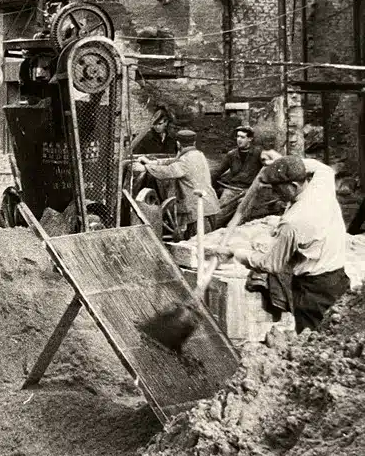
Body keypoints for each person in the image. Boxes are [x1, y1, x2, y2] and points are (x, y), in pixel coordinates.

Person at [210, 155, 350, 332]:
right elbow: (323, 168)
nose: (275, 194)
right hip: (338, 278)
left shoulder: (294, 221)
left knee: (314, 338)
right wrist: (280, 162)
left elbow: (271, 263)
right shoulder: (322, 185)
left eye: (278, 189)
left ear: (293, 186)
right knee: (338, 332)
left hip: (314, 290)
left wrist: (235, 252)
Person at [137, 129, 221, 239]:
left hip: (197, 210)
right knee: (206, 242)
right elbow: (175, 161)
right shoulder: (198, 154)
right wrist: (153, 162)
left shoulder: (185, 161)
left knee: (197, 243)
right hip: (210, 205)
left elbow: (168, 171)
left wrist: (146, 168)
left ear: (178, 144)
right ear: (194, 143)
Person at [212, 126, 263, 227]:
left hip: (249, 190)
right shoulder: (231, 155)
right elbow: (218, 171)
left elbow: (266, 171)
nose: (239, 140)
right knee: (218, 216)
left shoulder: (258, 153)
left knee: (242, 218)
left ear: (250, 139)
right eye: (238, 137)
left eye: (242, 137)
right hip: (232, 189)